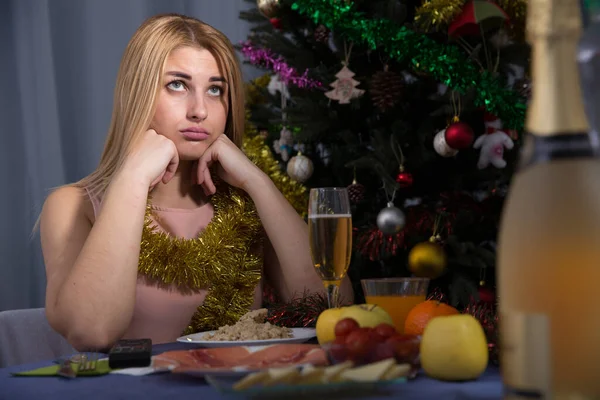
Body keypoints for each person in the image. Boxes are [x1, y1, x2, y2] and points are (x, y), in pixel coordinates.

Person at [39, 13, 353, 351]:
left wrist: (256, 181)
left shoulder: (247, 203)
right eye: (177, 84)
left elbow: (334, 310)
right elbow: (91, 333)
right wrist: (132, 178)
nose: (200, 110)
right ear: (137, 94)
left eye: (215, 90)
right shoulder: (72, 206)